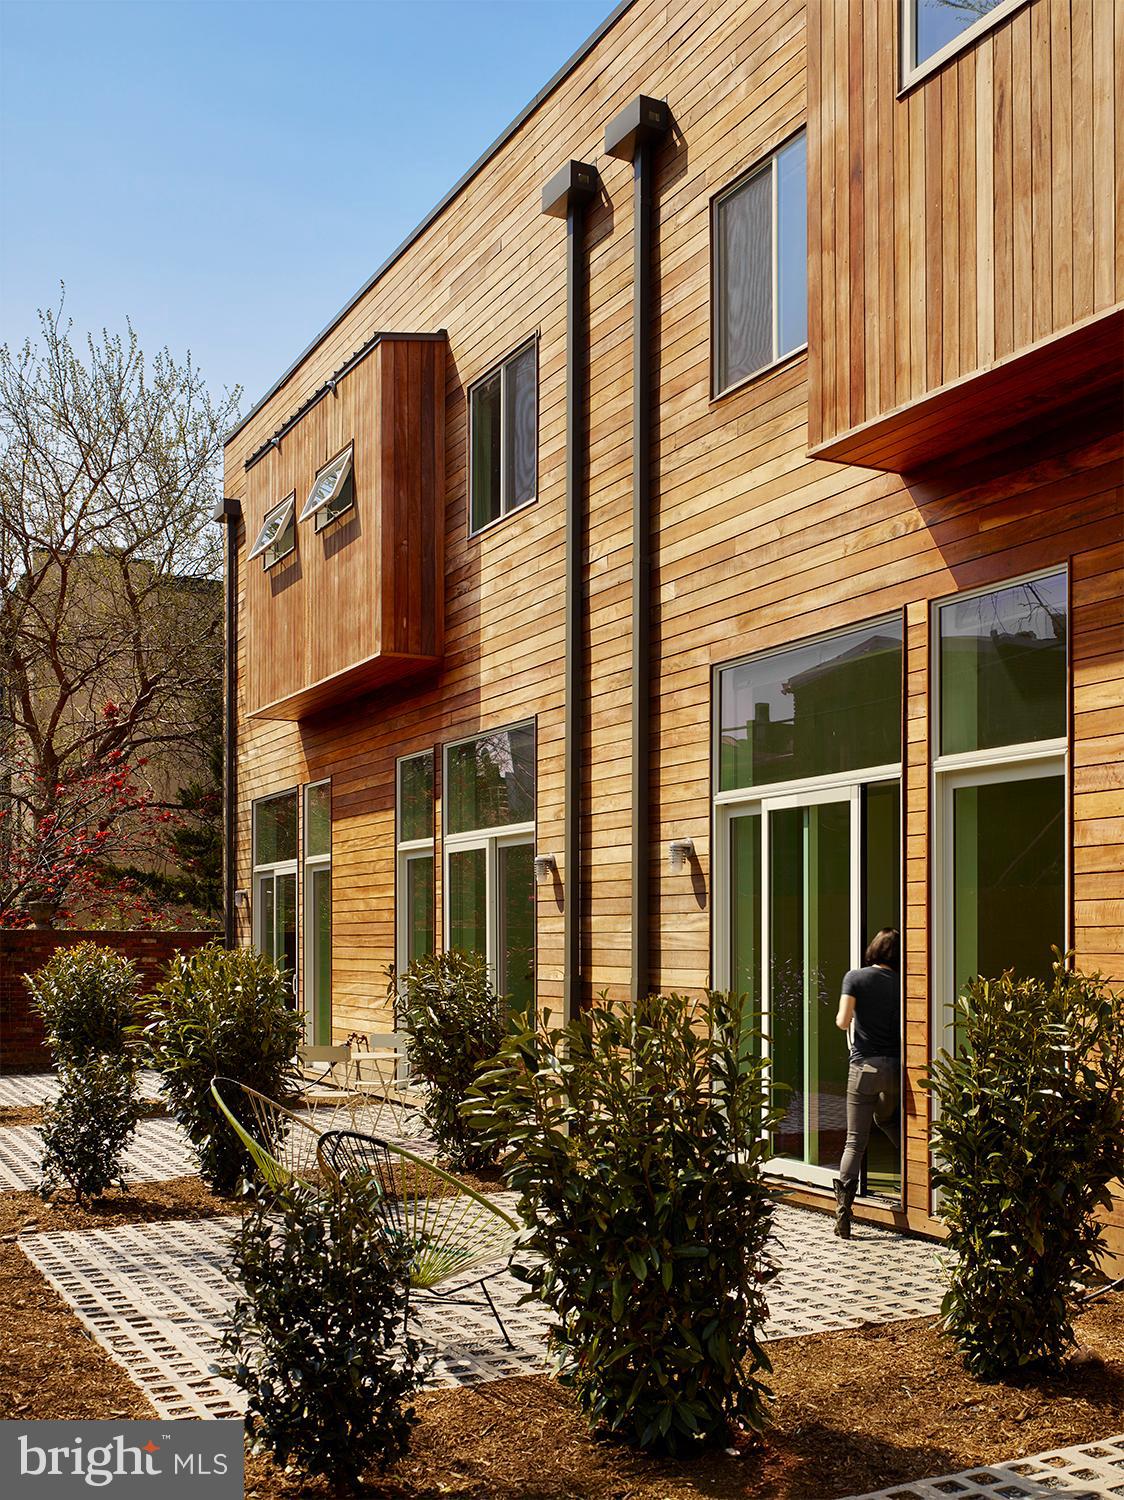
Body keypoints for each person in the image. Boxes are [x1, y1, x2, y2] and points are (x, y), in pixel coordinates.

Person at [832, 928, 901, 1239]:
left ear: (873, 948)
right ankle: (923, 1174)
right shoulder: (902, 983)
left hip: (864, 1067)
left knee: (854, 1141)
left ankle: (843, 1217)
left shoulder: (855, 978)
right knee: (887, 1118)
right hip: (897, 1070)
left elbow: (843, 1021)